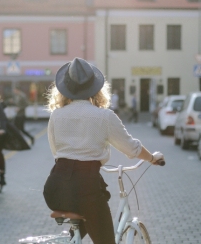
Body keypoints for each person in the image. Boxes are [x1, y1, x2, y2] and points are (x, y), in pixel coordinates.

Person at [43, 57, 165, 244]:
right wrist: (151, 158)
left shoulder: (56, 116)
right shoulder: (104, 116)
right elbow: (131, 148)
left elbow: (56, 153)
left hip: (55, 191)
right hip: (87, 190)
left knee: (85, 215)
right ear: (95, 87)